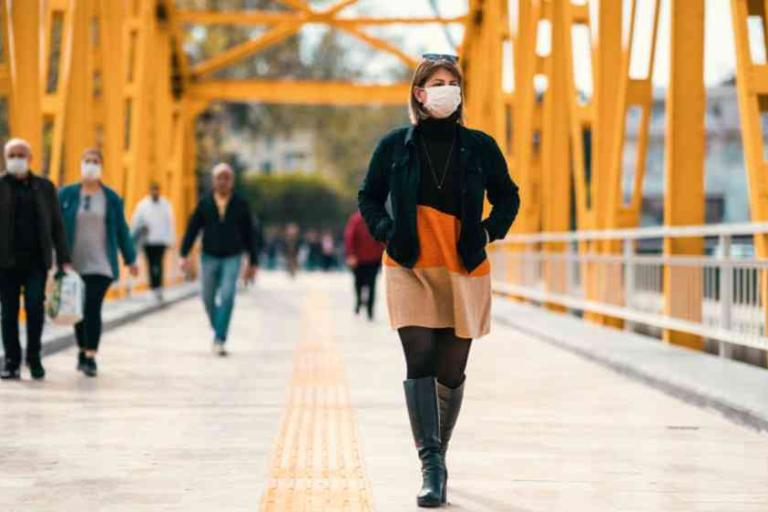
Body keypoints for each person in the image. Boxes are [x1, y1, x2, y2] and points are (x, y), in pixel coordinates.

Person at [358, 54, 520, 508]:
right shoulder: (394, 146)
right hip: (409, 265)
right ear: (419, 92)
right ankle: (431, 467)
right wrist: (387, 232)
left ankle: (438, 456)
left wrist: (488, 231)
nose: (447, 89)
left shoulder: (480, 146)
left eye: (453, 82)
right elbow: (368, 197)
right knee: (420, 358)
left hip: (462, 267)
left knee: (451, 370)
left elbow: (509, 195)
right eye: (437, 82)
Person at [59, 148, 138, 377]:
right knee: (78, 310)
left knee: (92, 307)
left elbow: (122, 230)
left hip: (101, 265)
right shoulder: (66, 195)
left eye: (95, 162)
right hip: (72, 264)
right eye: (87, 161)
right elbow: (55, 227)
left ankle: (91, 356)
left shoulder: (111, 198)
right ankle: (82, 351)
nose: (91, 165)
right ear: (80, 164)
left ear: (101, 166)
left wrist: (130, 258)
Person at [0, 138, 71, 380]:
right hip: (5, 263)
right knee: (8, 313)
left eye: (21, 155)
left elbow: (57, 227)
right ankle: (11, 362)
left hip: (36, 262)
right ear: (5, 157)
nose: (16, 160)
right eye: (12, 155)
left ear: (30, 159)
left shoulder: (45, 187)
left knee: (34, 309)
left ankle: (34, 357)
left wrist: (64, 258)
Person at [179, 163, 257, 356]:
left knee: (228, 295)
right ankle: (219, 328)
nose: (222, 182)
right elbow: (192, 229)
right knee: (207, 297)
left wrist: (253, 262)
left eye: (226, 178)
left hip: (232, 256)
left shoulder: (240, 204)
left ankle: (220, 338)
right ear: (213, 181)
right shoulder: (204, 203)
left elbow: (250, 234)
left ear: (232, 182)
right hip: (209, 257)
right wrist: (183, 254)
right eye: (219, 178)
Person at [132, 182, 175, 301]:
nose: (155, 193)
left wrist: (171, 239)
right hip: (148, 240)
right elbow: (136, 221)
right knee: (150, 264)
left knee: (159, 264)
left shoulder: (166, 204)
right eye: (153, 190)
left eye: (157, 190)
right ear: (150, 191)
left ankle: (159, 288)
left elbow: (170, 222)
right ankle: (152, 288)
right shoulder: (143, 205)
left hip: (161, 240)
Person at [344, 210, 384, 321]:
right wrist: (351, 255)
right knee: (358, 283)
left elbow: (382, 238)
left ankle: (370, 311)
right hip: (358, 259)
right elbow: (349, 238)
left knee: (372, 285)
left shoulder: (377, 218)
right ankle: (358, 301)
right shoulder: (356, 219)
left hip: (373, 259)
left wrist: (383, 255)